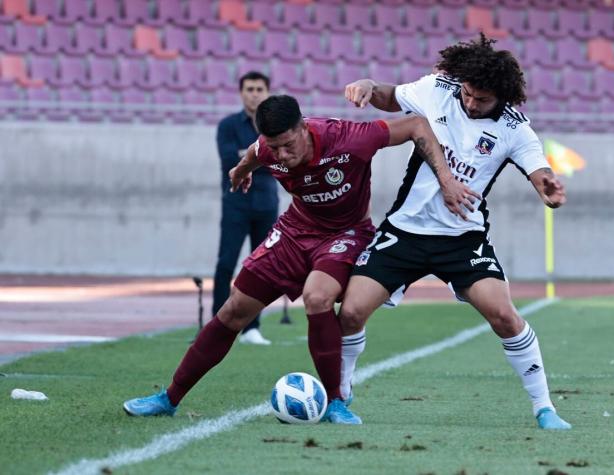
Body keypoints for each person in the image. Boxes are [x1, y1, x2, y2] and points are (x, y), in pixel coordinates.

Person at [123, 95, 475, 424]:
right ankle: (168, 399)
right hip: (294, 232)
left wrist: (446, 180)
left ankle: (335, 401)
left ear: (305, 128)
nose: (282, 155)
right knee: (233, 310)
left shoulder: (350, 138)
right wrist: (241, 171)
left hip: (345, 234)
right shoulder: (268, 148)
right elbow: (253, 153)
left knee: (317, 296)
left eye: (288, 145)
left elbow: (416, 125)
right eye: (274, 148)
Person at [339, 34, 572, 430]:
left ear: (502, 96)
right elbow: (389, 95)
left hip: (463, 239)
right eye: (467, 94)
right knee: (350, 312)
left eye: (481, 99)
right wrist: (366, 85)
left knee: (504, 316)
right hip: (405, 231)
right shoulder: (438, 89)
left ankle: (544, 407)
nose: (470, 103)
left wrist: (547, 187)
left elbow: (539, 170)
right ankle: (339, 397)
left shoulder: (515, 129)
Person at [213, 71, 277, 345]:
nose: (254, 93)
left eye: (259, 88)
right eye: (249, 89)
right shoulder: (227, 125)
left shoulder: (275, 126)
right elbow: (230, 160)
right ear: (241, 93)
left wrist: (249, 156)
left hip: (266, 204)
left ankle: (252, 327)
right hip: (236, 203)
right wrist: (261, 154)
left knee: (261, 267)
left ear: (267, 92)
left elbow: (281, 161)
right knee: (226, 263)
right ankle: (217, 326)